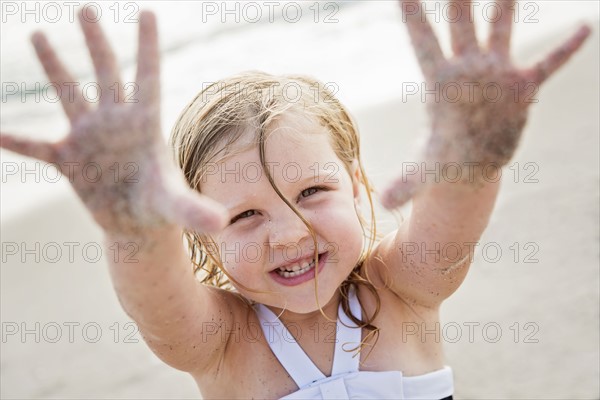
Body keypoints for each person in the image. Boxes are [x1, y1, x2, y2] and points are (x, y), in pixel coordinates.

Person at [0, 1, 590, 399]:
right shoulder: (223, 341)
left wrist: (473, 155)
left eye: (313, 191)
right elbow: (158, 307)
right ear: (201, 236)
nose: (288, 235)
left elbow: (449, 230)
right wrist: (134, 229)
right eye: (245, 215)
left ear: (356, 183)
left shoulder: (401, 289)